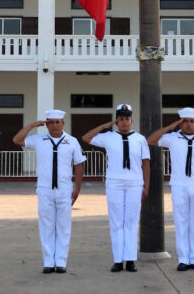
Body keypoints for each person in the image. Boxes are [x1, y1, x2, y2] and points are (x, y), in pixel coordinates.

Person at [12, 109, 85, 274]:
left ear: (63, 124)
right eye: (50, 122)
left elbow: (79, 166)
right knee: (46, 225)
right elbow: (17, 140)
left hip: (64, 189)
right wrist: (31, 125)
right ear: (46, 124)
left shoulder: (72, 141)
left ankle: (61, 262)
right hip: (45, 189)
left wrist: (77, 189)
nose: (54, 125)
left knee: (63, 226)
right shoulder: (39, 140)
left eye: (57, 122)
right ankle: (48, 262)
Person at [147, 107, 194, 272]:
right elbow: (151, 140)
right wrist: (171, 126)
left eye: (192, 121)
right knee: (181, 222)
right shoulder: (172, 138)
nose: (188, 124)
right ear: (180, 122)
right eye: (185, 121)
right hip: (179, 185)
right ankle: (183, 259)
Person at [83, 103, 151, 272]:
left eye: (127, 119)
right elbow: (86, 138)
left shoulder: (140, 139)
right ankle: (118, 260)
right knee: (116, 222)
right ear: (117, 121)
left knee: (131, 221)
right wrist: (105, 126)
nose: (124, 122)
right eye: (120, 119)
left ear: (131, 120)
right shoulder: (108, 136)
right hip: (114, 182)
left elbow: (146, 163)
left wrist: (146, 185)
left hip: (135, 182)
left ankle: (130, 260)